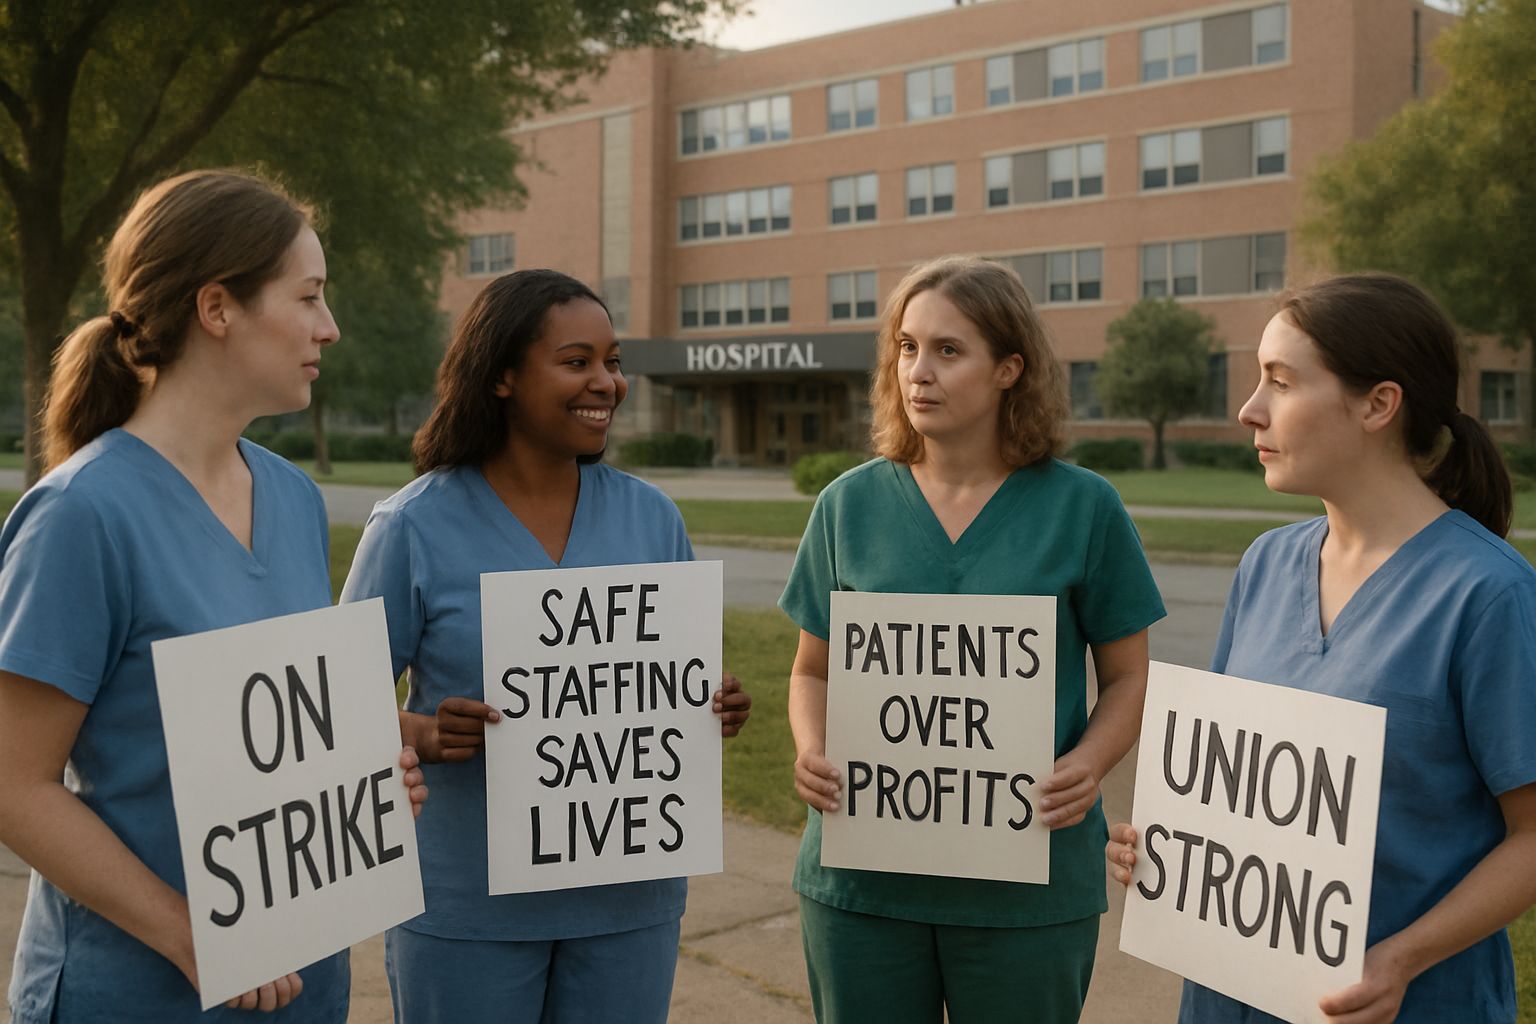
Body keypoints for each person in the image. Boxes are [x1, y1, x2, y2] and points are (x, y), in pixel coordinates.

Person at [0, 169, 427, 1022]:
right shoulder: (81, 514)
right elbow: (14, 783)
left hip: (306, 985)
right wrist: (190, 935)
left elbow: (265, 732)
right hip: (137, 992)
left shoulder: (294, 497)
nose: (330, 326)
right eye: (308, 296)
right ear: (218, 308)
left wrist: (361, 775)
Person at [1106, 273, 1536, 1024]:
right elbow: (1229, 788)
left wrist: (1401, 960)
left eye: (1280, 381)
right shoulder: (1266, 563)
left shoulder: (1488, 593)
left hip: (1406, 1005)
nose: (1249, 409)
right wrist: (1171, 848)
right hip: (1227, 998)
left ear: (1378, 404)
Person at [340, 267, 751, 1023]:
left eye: (613, 362)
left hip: (630, 899)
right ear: (501, 376)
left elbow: (660, 685)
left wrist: (710, 705)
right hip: (468, 906)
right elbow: (332, 717)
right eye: (576, 361)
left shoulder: (653, 518)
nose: (606, 383)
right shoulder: (411, 527)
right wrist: (422, 733)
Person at [779, 254, 1166, 1023]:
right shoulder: (846, 507)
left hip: (1029, 887)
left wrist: (1088, 764)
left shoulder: (1084, 508)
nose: (918, 371)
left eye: (948, 350)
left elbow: (1128, 678)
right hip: (863, 884)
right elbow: (811, 671)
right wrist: (812, 747)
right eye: (907, 347)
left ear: (1008, 370)